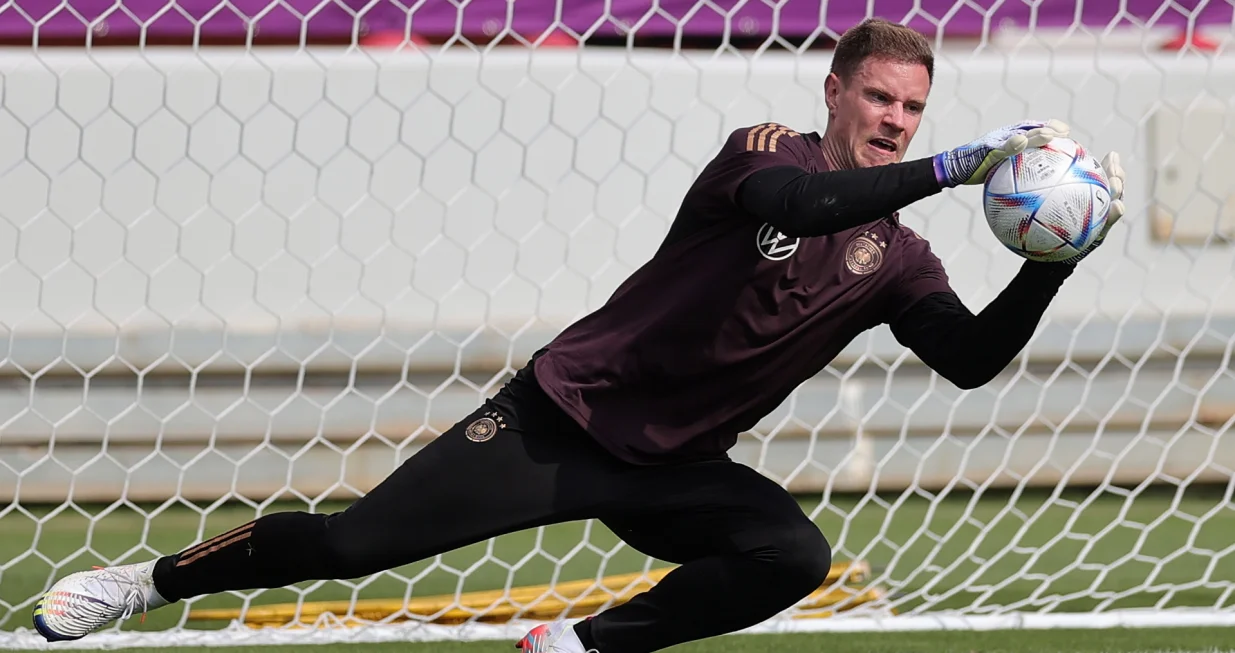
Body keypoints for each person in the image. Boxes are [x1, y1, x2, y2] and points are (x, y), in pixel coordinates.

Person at [32, 17, 1124, 653]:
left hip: (678, 468)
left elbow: (970, 360)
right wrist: (958, 166)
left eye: (912, 111)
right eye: (879, 98)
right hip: (558, 422)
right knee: (346, 547)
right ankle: (149, 580)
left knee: (788, 553)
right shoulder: (760, 153)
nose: (893, 119)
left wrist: (1048, 263)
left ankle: (569, 645)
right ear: (833, 91)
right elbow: (803, 208)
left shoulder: (897, 254)